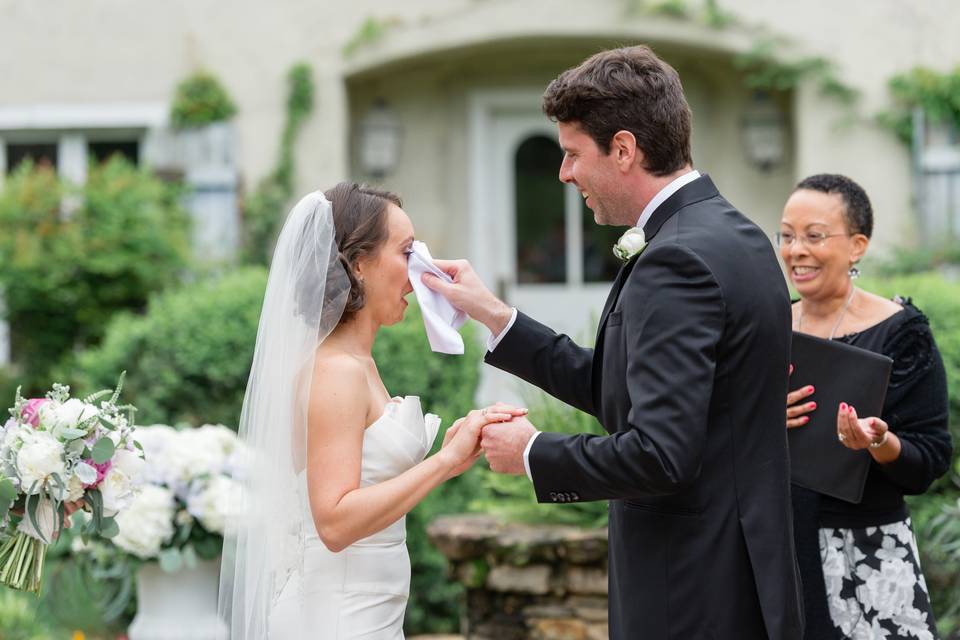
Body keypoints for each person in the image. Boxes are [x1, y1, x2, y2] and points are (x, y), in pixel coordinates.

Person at [423, 45, 804, 640]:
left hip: (691, 591)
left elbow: (660, 453)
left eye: (573, 153)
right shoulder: (732, 234)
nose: (564, 173)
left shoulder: (677, 259)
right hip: (738, 572)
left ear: (623, 149)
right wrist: (495, 316)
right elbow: (622, 389)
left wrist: (531, 452)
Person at [217, 182, 524, 639]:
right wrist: (443, 462)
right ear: (359, 265)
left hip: (367, 612)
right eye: (407, 252)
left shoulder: (359, 362)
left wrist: (455, 450)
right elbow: (335, 523)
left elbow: (367, 477)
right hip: (337, 618)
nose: (420, 272)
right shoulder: (336, 371)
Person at [781, 173, 952, 639]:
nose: (796, 250)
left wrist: (880, 441)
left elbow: (931, 457)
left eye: (814, 236)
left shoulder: (902, 332)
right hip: (776, 550)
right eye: (787, 235)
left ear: (857, 245)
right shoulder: (767, 329)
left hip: (866, 556)